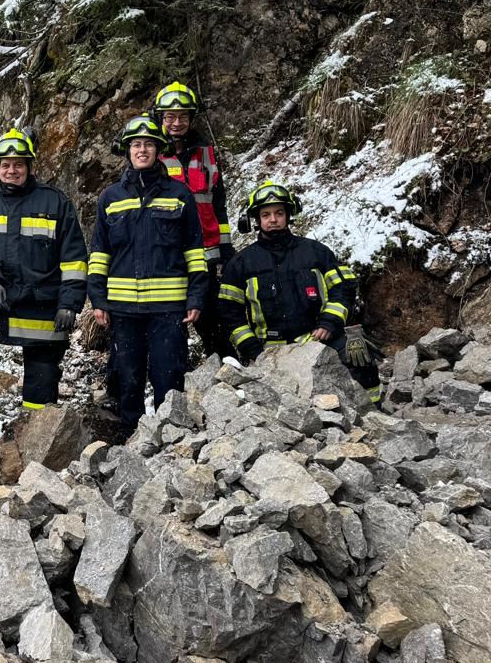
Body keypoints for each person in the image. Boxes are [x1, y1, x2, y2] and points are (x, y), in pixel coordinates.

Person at [0, 128, 87, 425]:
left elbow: (74, 260)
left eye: (18, 164)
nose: (12, 170)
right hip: (0, 290)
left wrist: (69, 304)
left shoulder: (56, 203)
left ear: (29, 167)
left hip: (41, 298)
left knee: (41, 384)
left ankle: (33, 435)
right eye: (5, 165)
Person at [88, 115, 209, 437]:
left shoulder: (179, 195)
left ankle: (172, 436)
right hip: (124, 308)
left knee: (169, 375)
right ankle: (131, 436)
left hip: (169, 308)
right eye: (136, 145)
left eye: (148, 144)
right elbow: (99, 254)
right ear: (127, 152)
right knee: (127, 376)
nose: (142, 150)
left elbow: (194, 252)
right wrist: (98, 299)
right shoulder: (110, 198)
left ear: (159, 150)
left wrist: (196, 297)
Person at [218, 181, 378, 402]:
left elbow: (344, 289)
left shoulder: (316, 253)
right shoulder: (240, 265)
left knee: (359, 356)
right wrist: (252, 351)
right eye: (266, 215)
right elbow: (229, 315)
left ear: (289, 215)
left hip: (319, 340)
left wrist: (328, 323)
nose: (273, 219)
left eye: (279, 213)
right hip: (270, 352)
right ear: (256, 220)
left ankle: (373, 417)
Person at [153, 80, 233, 357]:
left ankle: (227, 368)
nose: (176, 123)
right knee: (172, 318)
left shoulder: (205, 152)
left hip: (205, 251)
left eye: (183, 116)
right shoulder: (151, 153)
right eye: (170, 116)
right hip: (167, 253)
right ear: (160, 117)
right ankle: (173, 377)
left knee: (210, 316)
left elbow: (217, 201)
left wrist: (225, 245)